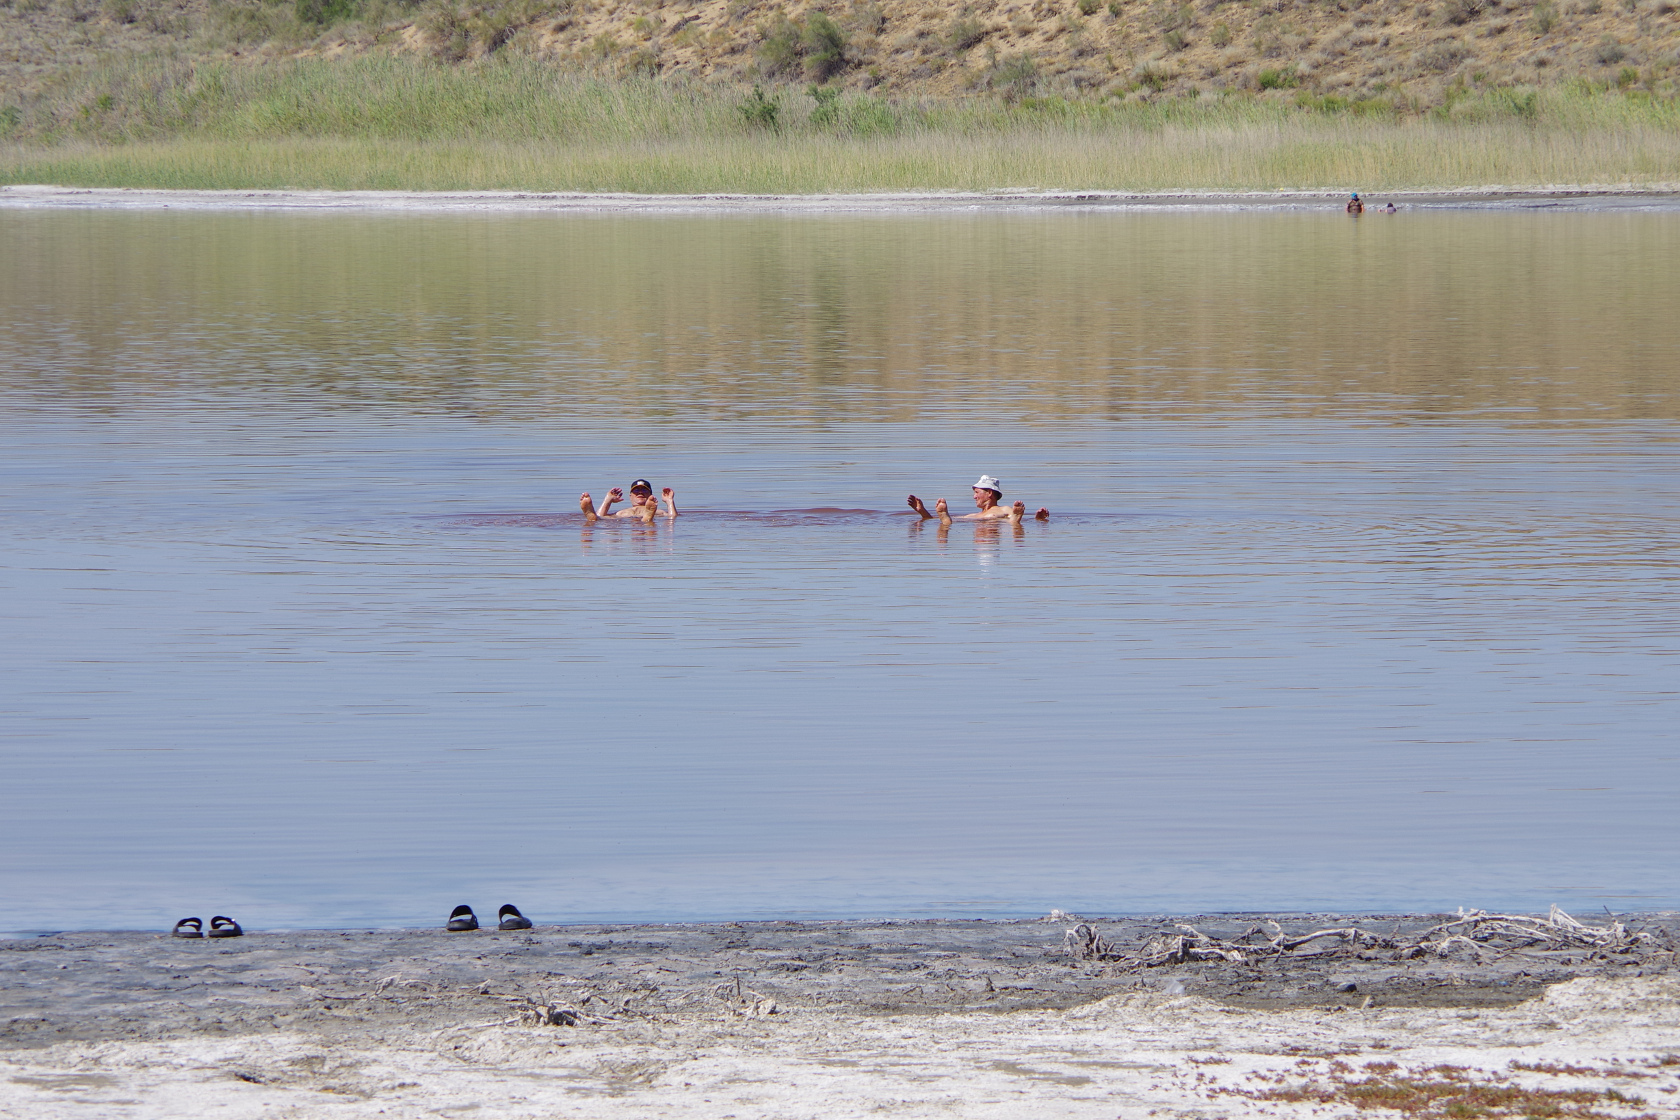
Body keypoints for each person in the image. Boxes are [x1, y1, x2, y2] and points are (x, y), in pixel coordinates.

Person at [908, 475, 1048, 525]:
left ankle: (1015, 520)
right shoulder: (972, 515)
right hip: (979, 522)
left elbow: (1019, 522)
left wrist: (1038, 519)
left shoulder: (1003, 509)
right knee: (947, 522)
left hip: (1000, 526)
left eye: (977, 493)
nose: (974, 497)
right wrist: (922, 511)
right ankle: (946, 520)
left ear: (989, 493)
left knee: (1013, 523)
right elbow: (933, 520)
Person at [580, 479, 677, 522]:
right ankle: (647, 518)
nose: (640, 492)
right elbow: (600, 517)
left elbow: (673, 517)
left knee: (649, 520)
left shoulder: (659, 511)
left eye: (644, 490)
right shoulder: (622, 512)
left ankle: (647, 517)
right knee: (597, 519)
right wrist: (608, 500)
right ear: (630, 496)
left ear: (650, 495)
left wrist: (669, 501)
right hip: (628, 517)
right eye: (636, 491)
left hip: (650, 513)